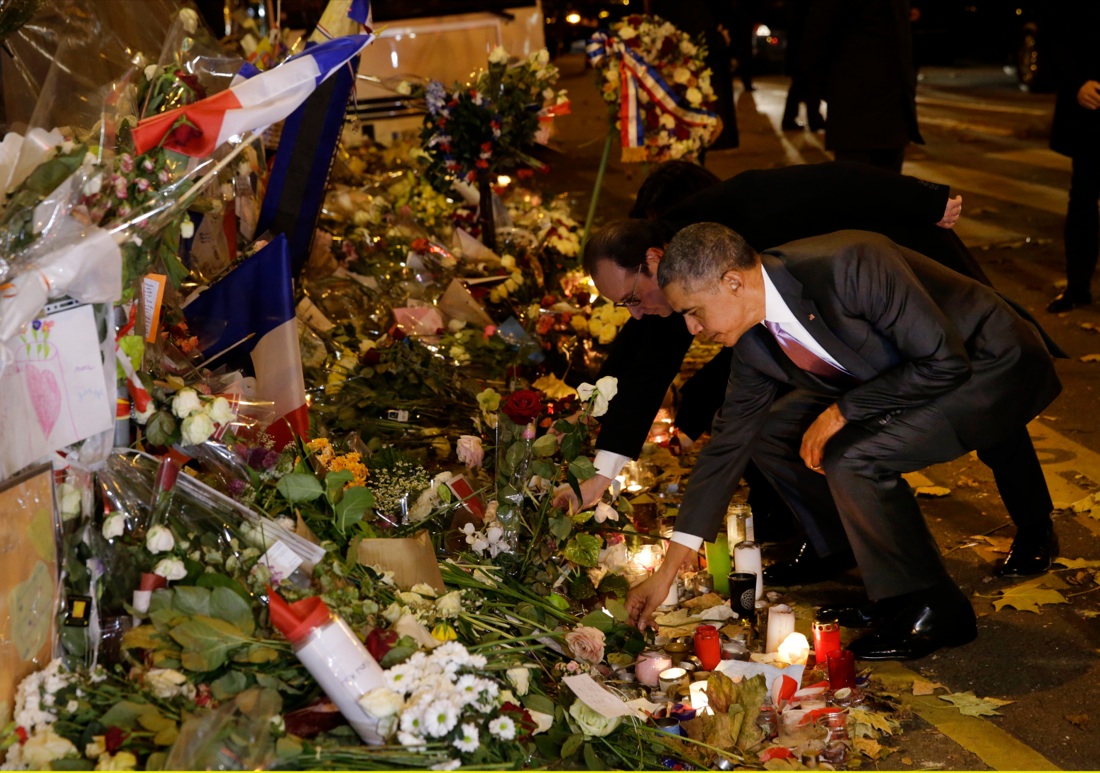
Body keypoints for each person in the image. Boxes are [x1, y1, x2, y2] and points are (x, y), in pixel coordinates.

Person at [558, 162, 1061, 580]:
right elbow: (640, 364)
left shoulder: (734, 211)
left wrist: (926, 200)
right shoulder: (673, 287)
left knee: (989, 405)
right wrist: (595, 458)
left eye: (629, 298)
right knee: (764, 417)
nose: (634, 313)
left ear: (653, 259)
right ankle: (830, 542)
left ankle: (1035, 525)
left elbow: (835, 183)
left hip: (902, 275)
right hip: (832, 328)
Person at [625, 223, 1062, 660]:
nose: (691, 328)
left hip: (985, 365)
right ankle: (878, 575)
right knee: (772, 430)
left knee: (853, 457)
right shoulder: (753, 341)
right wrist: (666, 571)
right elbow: (727, 445)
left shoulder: (850, 264)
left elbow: (943, 362)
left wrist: (842, 412)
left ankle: (938, 607)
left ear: (733, 282)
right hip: (892, 375)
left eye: (695, 311)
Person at [801, 0, 921, 173]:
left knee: (889, 188)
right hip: (856, 106)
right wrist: (833, 92)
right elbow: (816, 39)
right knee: (855, 187)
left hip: (892, 106)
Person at [1045, 2, 1100, 313]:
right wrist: (1077, 82)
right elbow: (1054, 35)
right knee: (1083, 199)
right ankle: (1077, 287)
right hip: (1090, 112)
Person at [780, 0, 825, 132]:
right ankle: (812, 118)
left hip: (801, 47)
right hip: (805, 46)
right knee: (808, 83)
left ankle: (794, 118)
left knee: (801, 84)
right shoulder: (806, 7)